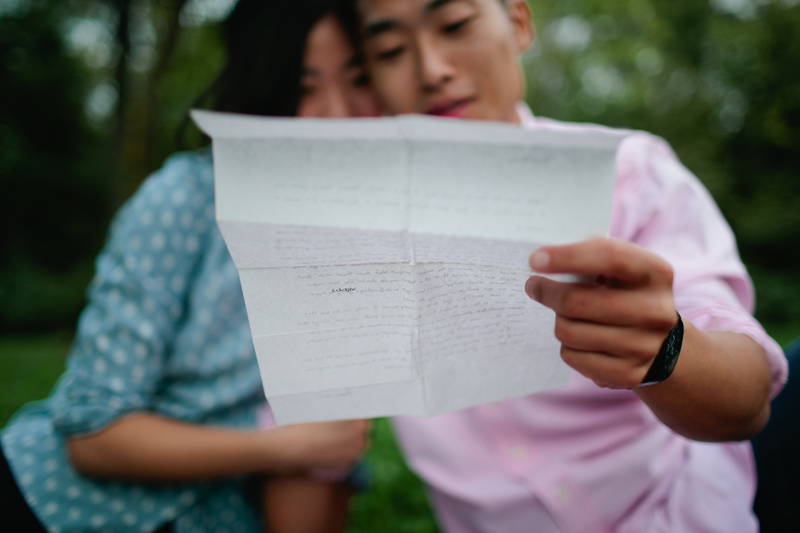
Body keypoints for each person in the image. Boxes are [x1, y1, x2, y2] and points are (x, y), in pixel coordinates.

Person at [353, 0, 788, 531]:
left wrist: (665, 349)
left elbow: (747, 403)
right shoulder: (350, 240)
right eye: (390, 49)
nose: (431, 69)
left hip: (677, 511)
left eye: (455, 25)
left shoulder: (630, 174)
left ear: (517, 22)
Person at [0, 1, 379, 532]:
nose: (335, 114)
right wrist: (284, 446)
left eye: (358, 79)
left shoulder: (369, 245)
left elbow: (328, 455)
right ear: (262, 88)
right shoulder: (185, 200)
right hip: (50, 506)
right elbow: (94, 433)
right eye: (303, 85)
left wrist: (307, 448)